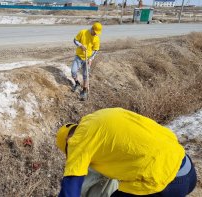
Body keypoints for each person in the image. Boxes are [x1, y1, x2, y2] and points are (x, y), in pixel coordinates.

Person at [56, 108, 197, 197]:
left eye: (68, 154)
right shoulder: (98, 119)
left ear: (69, 140)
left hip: (166, 183)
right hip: (188, 170)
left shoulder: (78, 140)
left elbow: (71, 187)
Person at [71, 22, 102, 100]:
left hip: (87, 58)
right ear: (92, 29)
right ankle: (77, 83)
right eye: (95, 32)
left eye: (97, 33)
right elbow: (75, 40)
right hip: (79, 57)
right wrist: (80, 45)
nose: (96, 34)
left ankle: (84, 90)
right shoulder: (83, 32)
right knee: (73, 71)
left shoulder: (96, 39)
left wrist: (91, 59)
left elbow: (95, 50)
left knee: (85, 75)